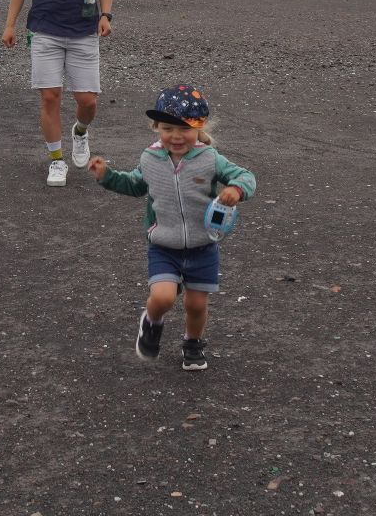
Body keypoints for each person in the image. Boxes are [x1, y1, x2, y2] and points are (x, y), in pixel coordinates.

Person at [86, 84, 256, 371]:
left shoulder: (210, 158)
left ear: (199, 127)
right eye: (167, 128)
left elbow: (245, 175)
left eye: (185, 128)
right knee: (163, 297)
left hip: (203, 245)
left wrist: (237, 190)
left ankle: (193, 343)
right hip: (163, 245)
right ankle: (151, 322)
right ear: (156, 128)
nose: (176, 136)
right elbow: (134, 184)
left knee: (196, 305)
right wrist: (107, 176)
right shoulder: (149, 158)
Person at [1, 0, 113, 186]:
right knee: (50, 96)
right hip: (45, 29)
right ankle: (56, 160)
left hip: (83, 30)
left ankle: (79, 132)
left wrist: (105, 14)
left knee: (87, 100)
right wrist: (10, 24)